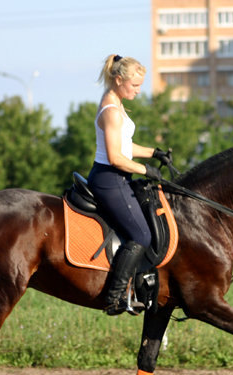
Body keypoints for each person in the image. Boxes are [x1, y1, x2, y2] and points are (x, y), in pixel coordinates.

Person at [87, 54, 171, 315]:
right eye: (134, 85)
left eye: (140, 85)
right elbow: (115, 157)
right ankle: (114, 298)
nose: (138, 90)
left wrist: (153, 153)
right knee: (142, 235)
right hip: (109, 179)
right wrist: (146, 170)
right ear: (118, 79)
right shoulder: (111, 110)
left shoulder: (117, 102)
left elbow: (125, 145)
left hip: (117, 176)